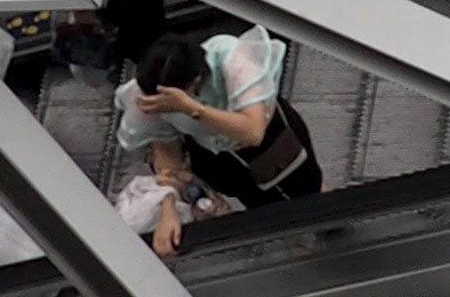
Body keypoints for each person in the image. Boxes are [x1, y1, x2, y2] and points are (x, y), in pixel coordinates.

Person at [125, 22, 320, 208]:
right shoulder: (150, 90)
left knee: (304, 185)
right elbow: (165, 147)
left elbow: (253, 131)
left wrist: (190, 108)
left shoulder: (231, 59)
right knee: (258, 201)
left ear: (195, 79)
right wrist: (169, 199)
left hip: (270, 141)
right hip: (218, 157)